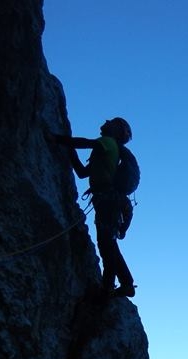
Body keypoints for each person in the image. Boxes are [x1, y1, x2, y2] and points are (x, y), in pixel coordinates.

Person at [52, 118, 136, 298]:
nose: (105, 122)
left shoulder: (107, 143)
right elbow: (82, 173)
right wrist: (69, 149)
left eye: (111, 122)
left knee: (106, 244)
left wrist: (57, 138)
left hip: (107, 201)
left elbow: (84, 143)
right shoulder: (108, 152)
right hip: (109, 201)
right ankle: (126, 283)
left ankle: (107, 288)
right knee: (108, 243)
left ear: (115, 130)